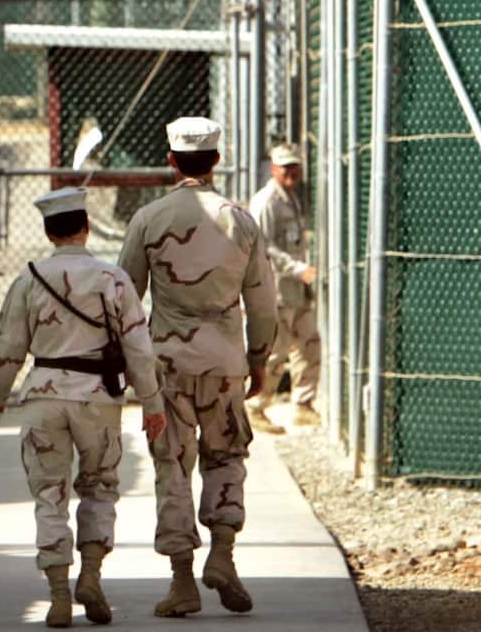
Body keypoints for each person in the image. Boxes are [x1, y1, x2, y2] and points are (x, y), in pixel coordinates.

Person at [117, 117, 277, 619]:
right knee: (227, 456)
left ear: (170, 160)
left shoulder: (149, 218)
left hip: (166, 364)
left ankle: (182, 580)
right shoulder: (240, 219)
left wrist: (130, 368)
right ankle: (224, 554)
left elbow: (125, 298)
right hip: (226, 361)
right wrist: (259, 358)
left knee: (172, 464)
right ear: (217, 160)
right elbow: (264, 302)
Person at [0, 187, 166, 628]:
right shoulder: (114, 279)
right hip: (98, 398)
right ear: (85, 228)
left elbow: (9, 346)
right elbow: (139, 349)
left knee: (50, 495)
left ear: (49, 233)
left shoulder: (28, 278)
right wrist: (151, 402)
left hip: (44, 397)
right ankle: (91, 574)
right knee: (100, 487)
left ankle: (59, 595)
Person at [247, 143, 322, 432]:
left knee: (309, 344)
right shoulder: (267, 202)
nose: (291, 172)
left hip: (296, 290)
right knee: (276, 353)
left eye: (295, 166)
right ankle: (255, 406)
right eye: (285, 167)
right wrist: (298, 268)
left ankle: (303, 404)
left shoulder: (290, 197)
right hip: (277, 289)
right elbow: (264, 247)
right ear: (273, 169)